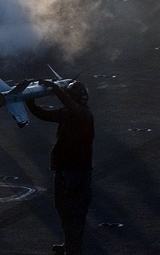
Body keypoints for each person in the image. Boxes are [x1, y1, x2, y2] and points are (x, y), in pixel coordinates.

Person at [26, 79, 95, 255]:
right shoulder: (75, 113)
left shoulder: (81, 114)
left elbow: (68, 109)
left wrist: (56, 89)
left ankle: (73, 250)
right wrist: (30, 101)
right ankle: (69, 245)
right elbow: (44, 115)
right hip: (70, 171)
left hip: (73, 173)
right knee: (67, 211)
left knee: (72, 212)